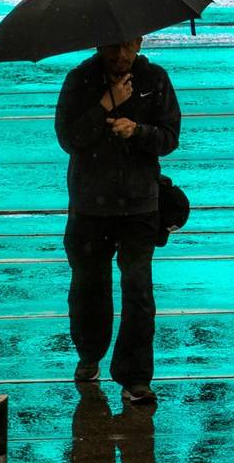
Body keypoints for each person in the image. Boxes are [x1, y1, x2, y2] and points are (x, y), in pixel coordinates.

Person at [54, 36, 180, 403]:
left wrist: (137, 131)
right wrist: (105, 106)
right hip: (89, 206)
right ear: (97, 45)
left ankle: (135, 377)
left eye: (128, 46)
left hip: (140, 205)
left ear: (140, 42)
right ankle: (89, 353)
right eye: (112, 47)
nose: (121, 55)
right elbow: (69, 138)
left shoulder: (154, 79)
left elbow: (170, 136)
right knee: (89, 287)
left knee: (138, 289)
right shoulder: (80, 80)